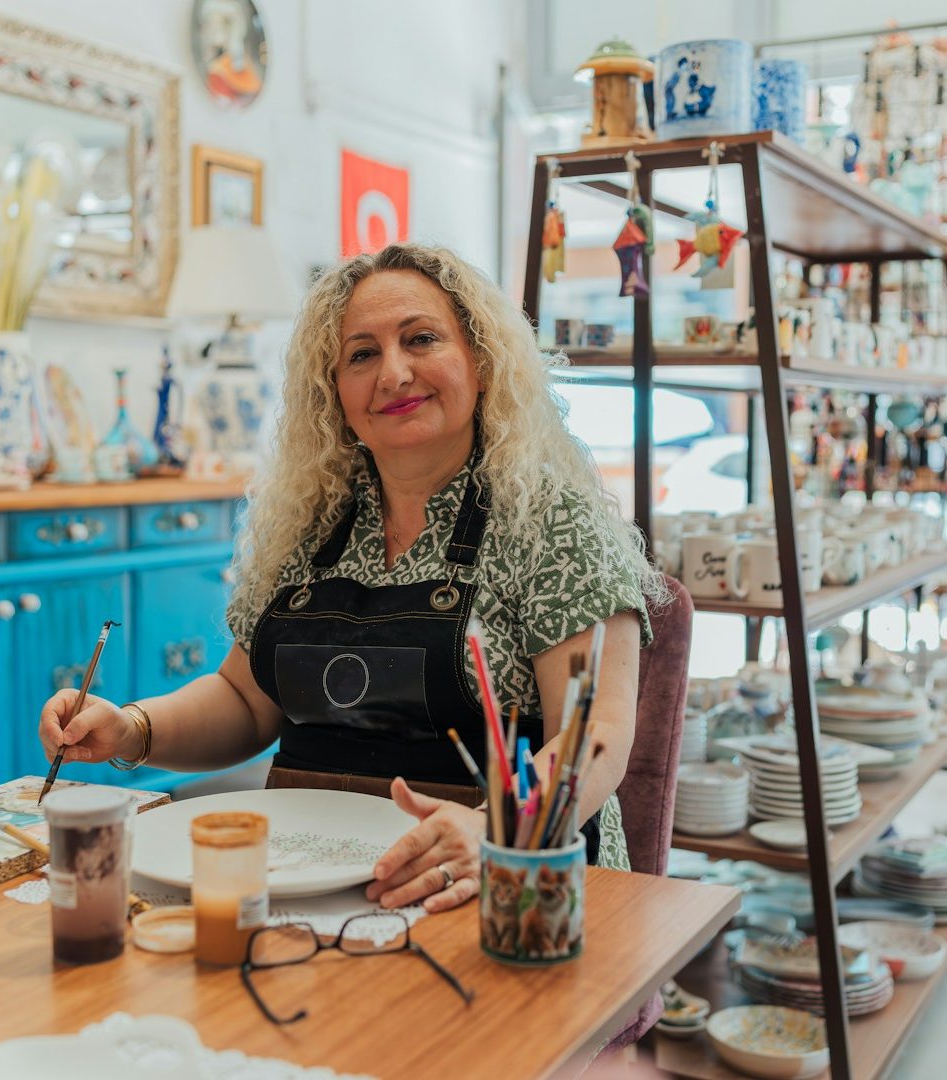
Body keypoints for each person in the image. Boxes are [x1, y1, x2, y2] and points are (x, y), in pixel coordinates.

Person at [39, 243, 667, 913]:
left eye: (421, 339)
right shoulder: (312, 521)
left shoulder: (549, 517)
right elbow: (245, 702)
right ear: (333, 392)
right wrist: (131, 728)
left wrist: (494, 832)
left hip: (510, 883)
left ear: (481, 362)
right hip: (311, 882)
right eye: (362, 354)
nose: (393, 373)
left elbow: (595, 734)